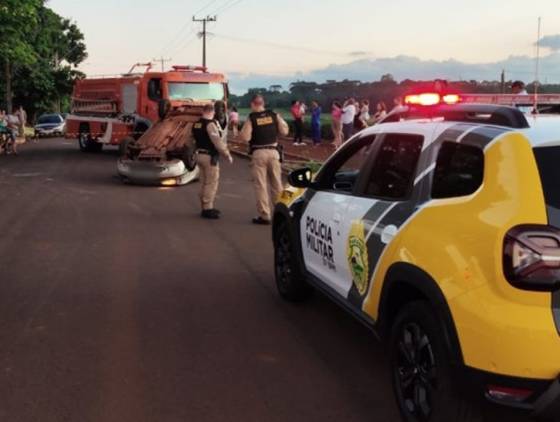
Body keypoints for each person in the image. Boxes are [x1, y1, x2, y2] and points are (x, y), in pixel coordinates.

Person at [240, 94, 289, 225]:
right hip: (274, 152)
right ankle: (281, 213)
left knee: (261, 185)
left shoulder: (252, 118)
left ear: (253, 104)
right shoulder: (274, 115)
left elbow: (245, 137)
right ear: (263, 103)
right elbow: (285, 131)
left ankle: (265, 215)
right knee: (277, 184)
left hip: (259, 153)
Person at [186, 103, 233, 220]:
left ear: (203, 111)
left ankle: (204, 205)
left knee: (203, 182)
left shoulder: (196, 124)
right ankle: (208, 208)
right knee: (211, 182)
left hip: (199, 155)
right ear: (212, 112)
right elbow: (217, 142)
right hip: (209, 157)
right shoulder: (210, 125)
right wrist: (227, 154)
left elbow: (189, 141)